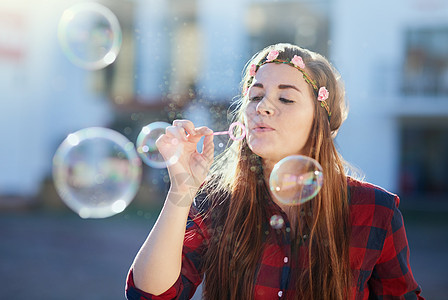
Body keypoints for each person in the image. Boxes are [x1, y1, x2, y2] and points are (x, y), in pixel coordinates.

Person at [125, 43, 424, 299]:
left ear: (319, 119)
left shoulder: (375, 211)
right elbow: (150, 295)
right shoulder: (214, 202)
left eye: (285, 98)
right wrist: (182, 190)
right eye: (255, 96)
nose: (262, 107)